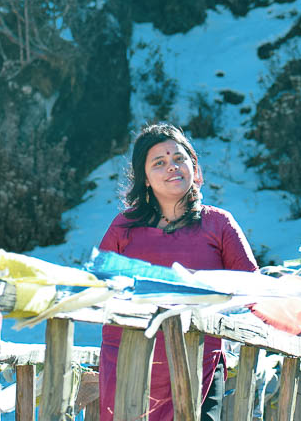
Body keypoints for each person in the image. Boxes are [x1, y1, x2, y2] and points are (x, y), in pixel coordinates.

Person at [97, 123, 258, 421]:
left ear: (193, 167)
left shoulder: (219, 224)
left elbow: (257, 293)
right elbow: (96, 287)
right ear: (144, 178)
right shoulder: (123, 227)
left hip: (198, 367)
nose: (172, 167)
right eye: (159, 162)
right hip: (129, 365)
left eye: (179, 159)